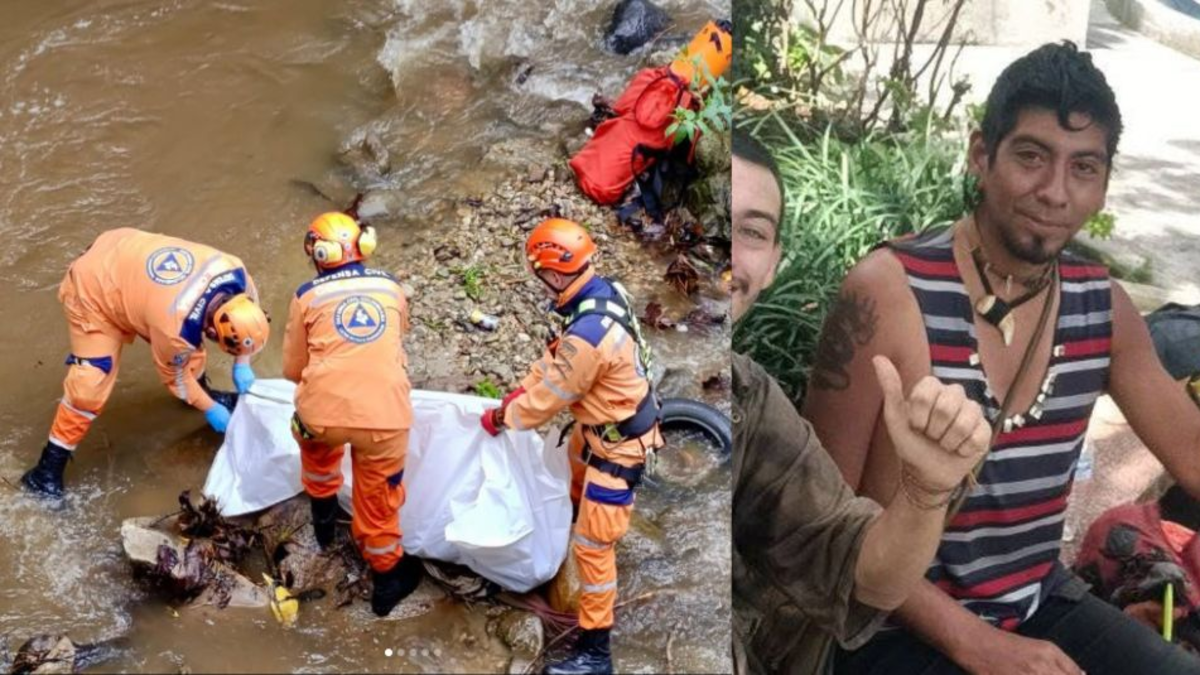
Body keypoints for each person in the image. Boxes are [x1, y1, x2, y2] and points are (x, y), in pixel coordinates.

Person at [802, 42, 1200, 674]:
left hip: (1037, 601)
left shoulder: (1103, 308)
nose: (1053, 192)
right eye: (1032, 157)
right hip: (886, 624)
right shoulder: (888, 292)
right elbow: (820, 520)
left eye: (1083, 168)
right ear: (982, 154)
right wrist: (975, 642)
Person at [731, 127, 993, 673]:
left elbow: (868, 575)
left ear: (774, 263)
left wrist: (925, 491)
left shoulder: (749, 403)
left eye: (750, 233)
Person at [480, 218, 663, 675]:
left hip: (618, 450)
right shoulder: (597, 296)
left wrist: (505, 415)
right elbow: (552, 362)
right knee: (573, 482)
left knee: (594, 551)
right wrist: (517, 392)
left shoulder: (588, 338)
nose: (538, 280)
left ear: (556, 273)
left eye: (539, 272)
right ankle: (581, 525)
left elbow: (547, 402)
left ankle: (596, 654)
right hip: (600, 428)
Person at [21, 227, 269, 499]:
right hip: (93, 290)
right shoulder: (175, 327)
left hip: (124, 250)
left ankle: (200, 394)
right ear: (212, 330)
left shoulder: (238, 273)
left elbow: (246, 332)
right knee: (89, 385)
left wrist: (241, 364)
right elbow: (175, 377)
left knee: (190, 351)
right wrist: (210, 408)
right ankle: (46, 470)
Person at [282, 211, 423, 617]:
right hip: (384, 418)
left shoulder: (307, 295)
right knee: (378, 500)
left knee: (317, 449)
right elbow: (397, 340)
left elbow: (293, 369)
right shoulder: (391, 287)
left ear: (317, 254)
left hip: (319, 416)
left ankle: (323, 525)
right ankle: (387, 583)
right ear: (364, 246)